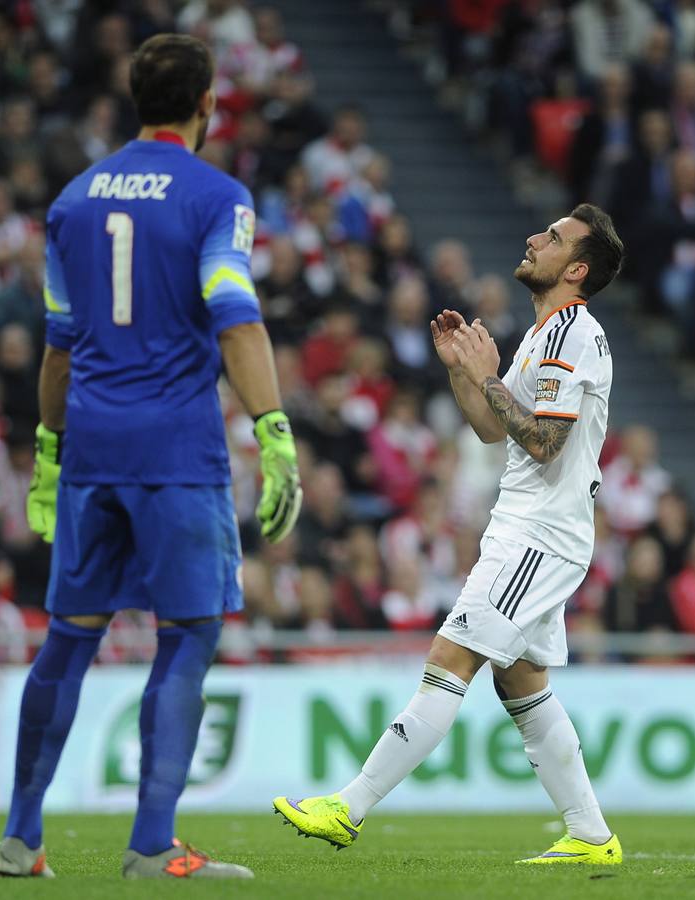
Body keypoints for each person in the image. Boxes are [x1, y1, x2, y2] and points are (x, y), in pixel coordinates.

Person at [0, 34, 301, 881]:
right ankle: (152, 844)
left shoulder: (73, 200)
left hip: (90, 447)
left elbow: (59, 348)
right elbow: (234, 314)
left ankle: (21, 839)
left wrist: (49, 455)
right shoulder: (217, 196)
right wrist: (273, 434)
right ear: (207, 104)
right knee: (189, 634)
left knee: (68, 638)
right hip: (175, 452)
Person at [274, 204, 627, 866]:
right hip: (534, 525)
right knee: (519, 679)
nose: (532, 239)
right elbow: (495, 431)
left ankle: (347, 807)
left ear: (575, 269)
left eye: (550, 238)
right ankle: (589, 836)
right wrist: (462, 374)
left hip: (539, 531)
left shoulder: (571, 336)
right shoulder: (544, 334)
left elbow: (544, 443)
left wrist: (489, 379)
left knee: (451, 655)